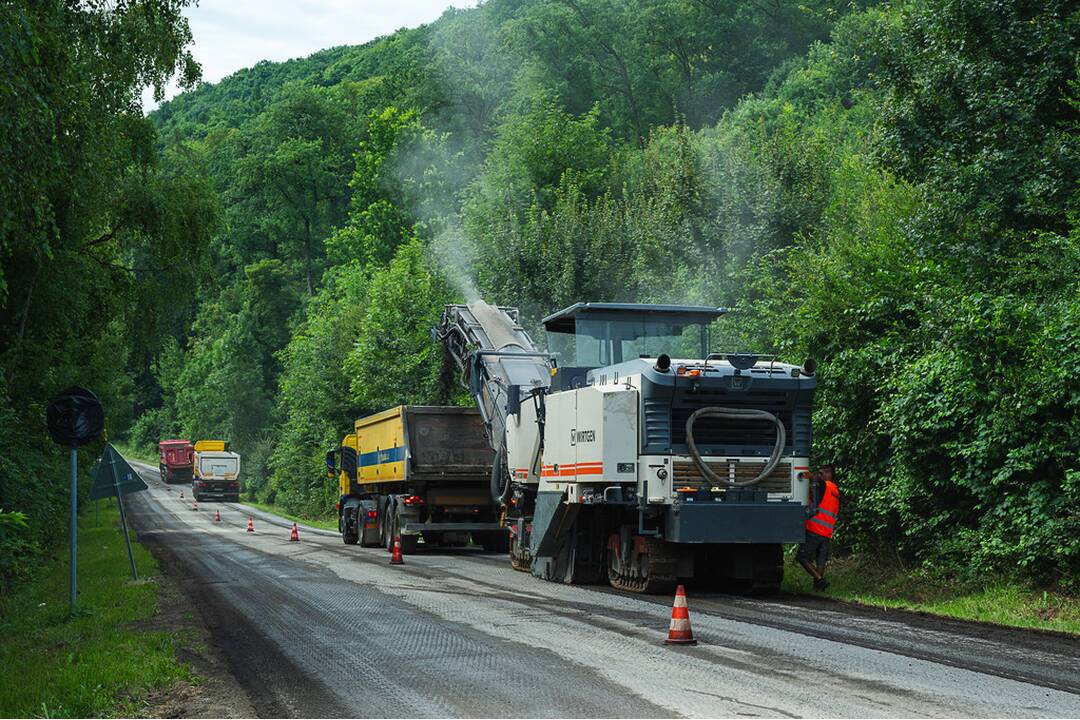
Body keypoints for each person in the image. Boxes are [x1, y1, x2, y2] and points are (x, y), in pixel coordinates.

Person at [798, 465, 839, 590]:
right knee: (820, 560)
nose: (821, 475)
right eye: (820, 473)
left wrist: (807, 475)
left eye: (823, 473)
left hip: (815, 530)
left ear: (830, 474)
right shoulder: (834, 490)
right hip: (826, 532)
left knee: (801, 557)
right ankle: (818, 588)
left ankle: (820, 579)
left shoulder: (825, 486)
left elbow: (818, 480)